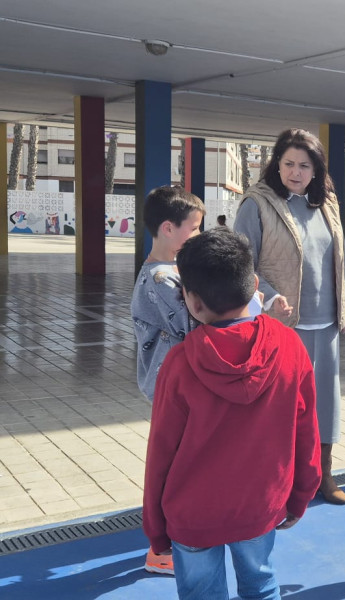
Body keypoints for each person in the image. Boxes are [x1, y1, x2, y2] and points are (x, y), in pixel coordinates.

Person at [143, 228, 321, 599]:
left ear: (192, 301)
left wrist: (156, 527)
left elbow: (161, 451)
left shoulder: (179, 363)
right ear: (254, 283)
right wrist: (301, 494)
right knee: (261, 584)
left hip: (193, 514)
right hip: (260, 505)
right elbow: (306, 431)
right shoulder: (290, 346)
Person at [234, 128, 345, 505]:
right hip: (285, 324)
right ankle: (281, 485)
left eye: (305, 165)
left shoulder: (328, 204)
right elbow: (242, 262)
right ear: (277, 164)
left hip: (328, 324)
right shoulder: (257, 204)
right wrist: (269, 299)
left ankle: (324, 475)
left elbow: (340, 259)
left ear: (317, 169)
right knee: (284, 407)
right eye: (289, 163)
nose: (296, 172)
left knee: (326, 404)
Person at [130, 185, 205, 576]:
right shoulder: (160, 280)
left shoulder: (169, 272)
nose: (197, 236)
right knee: (170, 466)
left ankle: (171, 537)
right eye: (193, 229)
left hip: (175, 387)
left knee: (177, 462)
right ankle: (161, 546)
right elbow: (194, 327)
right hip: (170, 388)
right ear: (167, 228)